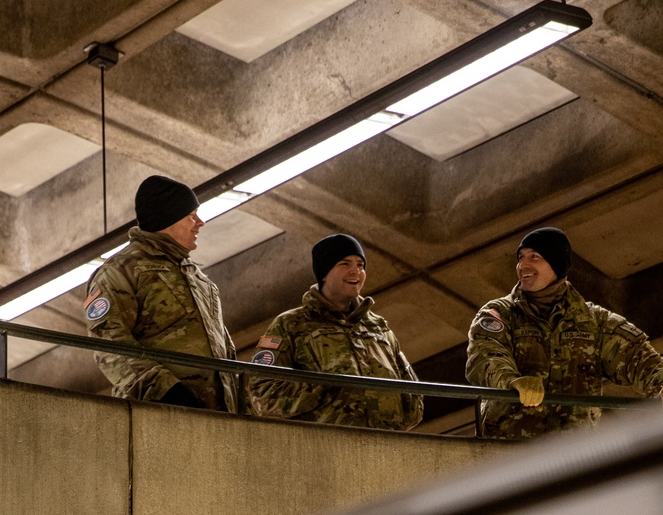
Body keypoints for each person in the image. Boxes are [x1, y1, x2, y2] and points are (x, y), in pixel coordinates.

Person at [465, 226, 663, 441]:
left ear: (557, 263)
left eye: (534, 257)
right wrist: (512, 381)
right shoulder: (499, 314)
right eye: (520, 257)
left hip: (575, 456)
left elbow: (637, 356)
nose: (523, 265)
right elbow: (486, 356)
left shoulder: (594, 322)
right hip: (507, 454)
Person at [86, 175, 238, 411]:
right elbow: (109, 343)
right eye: (191, 216)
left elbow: (225, 349)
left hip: (218, 418)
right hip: (157, 413)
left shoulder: (197, 277)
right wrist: (165, 390)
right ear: (169, 219)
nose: (200, 223)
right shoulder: (121, 271)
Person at [246, 234, 423, 431]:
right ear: (324, 272)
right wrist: (324, 390)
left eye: (360, 265)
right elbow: (262, 391)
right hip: (325, 443)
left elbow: (411, 393)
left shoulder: (378, 326)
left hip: (386, 443)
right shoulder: (291, 324)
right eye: (344, 264)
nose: (355, 271)